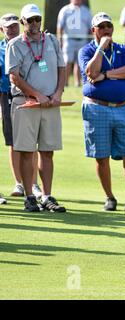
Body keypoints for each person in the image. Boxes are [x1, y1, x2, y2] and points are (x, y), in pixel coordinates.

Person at [78, 12, 125, 213]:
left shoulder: (122, 49)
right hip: (96, 107)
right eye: (101, 27)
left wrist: (106, 75)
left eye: (109, 25)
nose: (106, 29)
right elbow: (91, 72)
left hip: (122, 107)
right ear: (94, 30)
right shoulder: (86, 50)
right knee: (101, 156)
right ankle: (109, 197)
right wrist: (100, 49)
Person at [6, 4, 67, 213]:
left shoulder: (51, 40)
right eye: (29, 20)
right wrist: (36, 94)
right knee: (25, 151)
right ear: (23, 22)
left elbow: (62, 69)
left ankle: (47, 196)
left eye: (37, 19)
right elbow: (14, 76)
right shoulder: (14, 44)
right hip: (25, 103)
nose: (34, 24)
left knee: (48, 151)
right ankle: (30, 197)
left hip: (50, 103)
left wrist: (58, 93)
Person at [0, 13, 42, 200]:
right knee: (14, 141)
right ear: (2, 30)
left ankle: (33, 184)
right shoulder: (2, 48)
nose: (12, 29)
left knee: (30, 141)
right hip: (6, 95)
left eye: (15, 25)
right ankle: (19, 183)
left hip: (29, 94)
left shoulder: (28, 44)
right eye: (8, 27)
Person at [57, 0, 92, 87]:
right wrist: (59, 40)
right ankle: (65, 82)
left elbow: (90, 27)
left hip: (83, 40)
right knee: (67, 61)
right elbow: (60, 27)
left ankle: (78, 82)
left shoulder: (86, 11)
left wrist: (91, 40)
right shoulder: (65, 10)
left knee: (80, 62)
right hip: (69, 40)